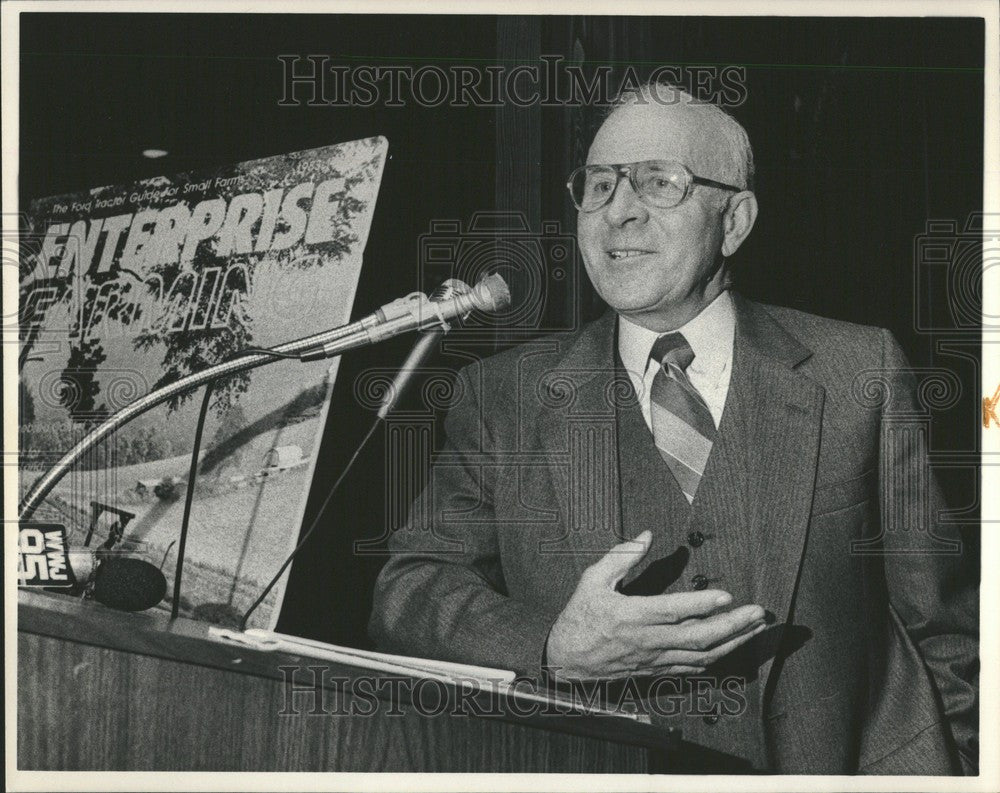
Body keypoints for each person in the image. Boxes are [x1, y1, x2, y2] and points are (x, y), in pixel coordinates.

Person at [368, 82, 978, 774]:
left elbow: (948, 632)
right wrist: (551, 647)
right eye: (598, 185)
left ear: (735, 220)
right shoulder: (502, 396)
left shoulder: (858, 369)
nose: (619, 212)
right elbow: (409, 590)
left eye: (659, 182)